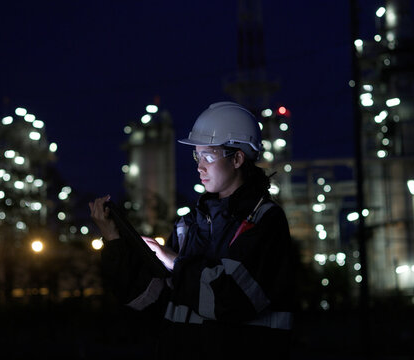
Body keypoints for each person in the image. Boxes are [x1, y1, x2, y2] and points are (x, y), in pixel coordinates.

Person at [90, 101, 298, 359]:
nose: (200, 166)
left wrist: (176, 262)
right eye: (197, 156)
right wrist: (114, 241)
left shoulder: (264, 220)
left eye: (208, 156)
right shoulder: (187, 226)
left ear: (237, 159)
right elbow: (151, 300)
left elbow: (233, 299)